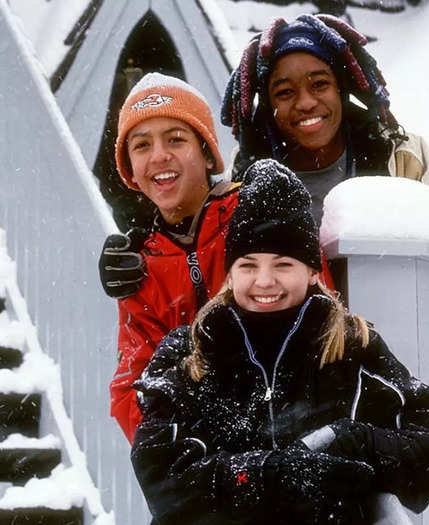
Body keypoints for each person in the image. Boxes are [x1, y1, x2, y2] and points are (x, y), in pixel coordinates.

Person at [131, 159, 429, 524]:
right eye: (248, 265)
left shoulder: (352, 345)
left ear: (313, 271)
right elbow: (162, 479)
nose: (264, 281)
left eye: (283, 264)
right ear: (231, 274)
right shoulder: (189, 353)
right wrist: (268, 474)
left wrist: (352, 438)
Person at [100, 73, 334, 441]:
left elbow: (324, 326)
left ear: (207, 153)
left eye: (176, 139)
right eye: (141, 146)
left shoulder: (258, 213)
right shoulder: (140, 267)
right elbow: (130, 394)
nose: (159, 156)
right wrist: (185, 445)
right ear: (129, 168)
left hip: (290, 445)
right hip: (205, 474)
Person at [221, 13, 429, 298]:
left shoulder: (400, 155)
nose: (305, 102)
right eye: (285, 92)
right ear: (268, 104)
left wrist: (395, 279)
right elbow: (222, 275)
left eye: (319, 84)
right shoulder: (246, 174)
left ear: (342, 88)